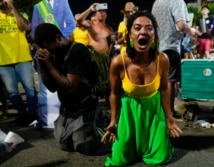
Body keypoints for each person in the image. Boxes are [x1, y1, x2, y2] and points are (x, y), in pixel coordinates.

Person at [101, 11, 183, 166]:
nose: (143, 31)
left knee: (161, 158)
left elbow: (165, 89)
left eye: (149, 28)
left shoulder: (162, 59)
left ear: (154, 35)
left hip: (154, 112)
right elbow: (114, 93)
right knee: (119, 160)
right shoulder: (118, 62)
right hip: (129, 113)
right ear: (130, 34)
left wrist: (169, 117)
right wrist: (114, 121)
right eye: (137, 28)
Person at [34, 23, 111, 155]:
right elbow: (52, 88)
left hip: (85, 107)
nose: (49, 52)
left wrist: (50, 64)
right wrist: (43, 65)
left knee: (85, 147)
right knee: (63, 143)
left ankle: (104, 121)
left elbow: (71, 86)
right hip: (68, 109)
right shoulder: (56, 54)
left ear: (58, 37)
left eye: (49, 48)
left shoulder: (77, 51)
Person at [31, 0, 75, 129]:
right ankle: (46, 120)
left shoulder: (63, 2)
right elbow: (34, 30)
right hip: (44, 50)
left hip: (59, 50)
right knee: (45, 86)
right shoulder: (38, 6)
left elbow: (71, 24)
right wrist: (45, 43)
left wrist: (57, 40)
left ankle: (64, 117)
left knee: (63, 83)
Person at [152, 0, 197, 119]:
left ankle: (159, 110)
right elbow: (181, 25)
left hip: (156, 47)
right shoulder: (177, 1)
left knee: (159, 80)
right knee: (170, 81)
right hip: (170, 48)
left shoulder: (157, 1)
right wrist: (192, 31)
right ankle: (169, 113)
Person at [0, 0, 38, 126]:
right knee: (12, 91)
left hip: (22, 57)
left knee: (30, 89)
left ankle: (32, 114)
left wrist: (12, 8)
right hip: (3, 61)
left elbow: (26, 27)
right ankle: (22, 114)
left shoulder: (19, 13)